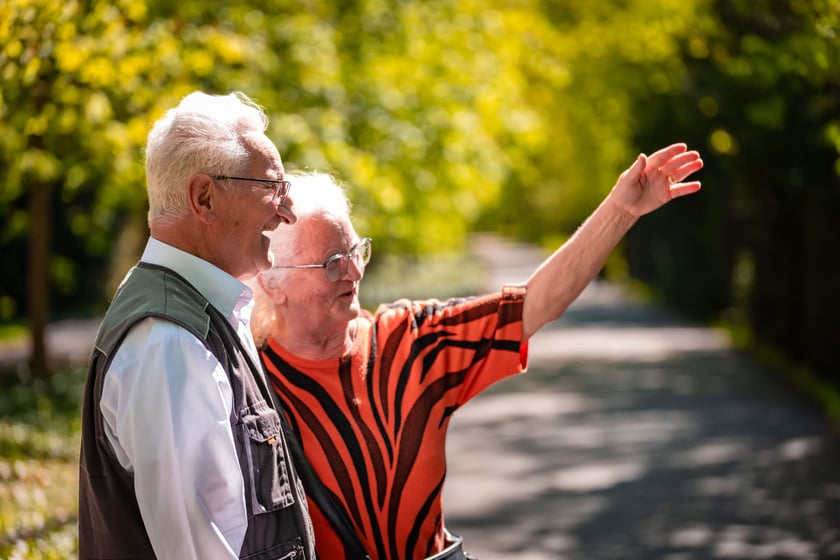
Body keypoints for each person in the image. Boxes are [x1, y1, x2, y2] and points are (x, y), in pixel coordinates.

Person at [249, 143, 703, 559]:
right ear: (272, 282)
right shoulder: (246, 385)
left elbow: (534, 303)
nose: (352, 272)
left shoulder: (410, 339)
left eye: (356, 251)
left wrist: (621, 211)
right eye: (331, 263)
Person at [78, 91, 317, 559]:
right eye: (273, 188)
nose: (287, 211)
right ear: (204, 197)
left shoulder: (196, 314)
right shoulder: (170, 344)